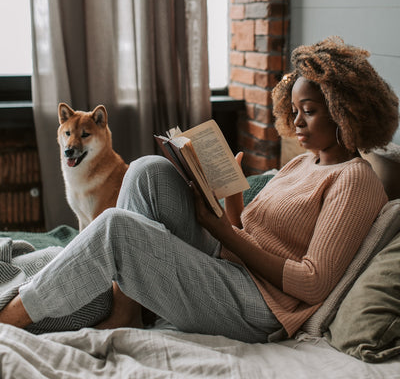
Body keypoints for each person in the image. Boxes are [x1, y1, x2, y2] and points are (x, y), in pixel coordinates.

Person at [0, 36, 398, 342]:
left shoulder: (355, 180)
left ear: (347, 110)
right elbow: (250, 234)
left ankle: (12, 318)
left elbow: (311, 283)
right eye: (292, 111)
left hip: (257, 308)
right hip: (230, 265)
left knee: (116, 227)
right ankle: (127, 308)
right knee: (147, 171)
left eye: (308, 112)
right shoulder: (302, 161)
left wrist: (221, 228)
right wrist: (233, 201)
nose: (295, 122)